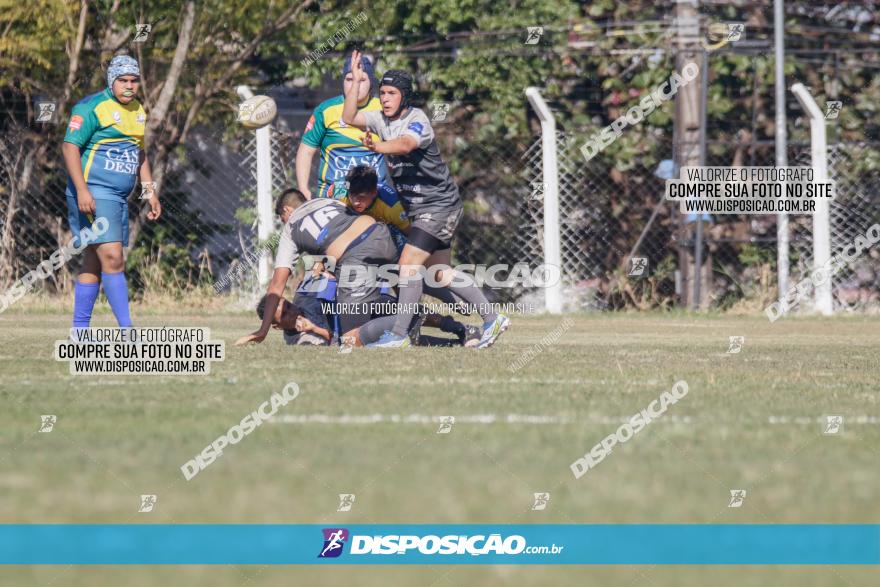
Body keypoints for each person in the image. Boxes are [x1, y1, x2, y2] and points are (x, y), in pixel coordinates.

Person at [341, 50, 509, 349]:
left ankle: (399, 335)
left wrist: (378, 146)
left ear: (404, 96)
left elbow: (406, 145)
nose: (386, 98)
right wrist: (355, 80)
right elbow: (349, 116)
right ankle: (491, 319)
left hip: (439, 206)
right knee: (440, 272)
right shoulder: (380, 118)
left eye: (392, 93)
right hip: (422, 211)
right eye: (383, 93)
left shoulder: (417, 119)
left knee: (408, 265)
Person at [62, 54, 161, 331]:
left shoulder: (138, 111)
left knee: (94, 261)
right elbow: (69, 147)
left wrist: (150, 191)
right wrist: (82, 191)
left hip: (117, 198)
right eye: (123, 80)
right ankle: (128, 332)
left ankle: (79, 332)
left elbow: (139, 153)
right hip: (94, 193)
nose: (129, 86)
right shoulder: (91, 107)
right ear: (111, 81)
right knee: (114, 259)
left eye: (134, 80)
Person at [235, 188, 400, 346]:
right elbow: (345, 230)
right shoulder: (329, 201)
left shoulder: (291, 227)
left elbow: (277, 285)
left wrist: (262, 331)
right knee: (402, 300)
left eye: (281, 218)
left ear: (287, 211)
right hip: (382, 235)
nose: (284, 222)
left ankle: (408, 320)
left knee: (351, 340)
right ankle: (414, 321)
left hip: (357, 257)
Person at [296, 54, 388, 200]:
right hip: (338, 188)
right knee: (344, 214)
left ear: (371, 82)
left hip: (374, 188)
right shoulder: (326, 110)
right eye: (350, 79)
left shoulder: (384, 109)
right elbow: (306, 151)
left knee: (399, 217)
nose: (355, 84)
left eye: (361, 79)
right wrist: (303, 188)